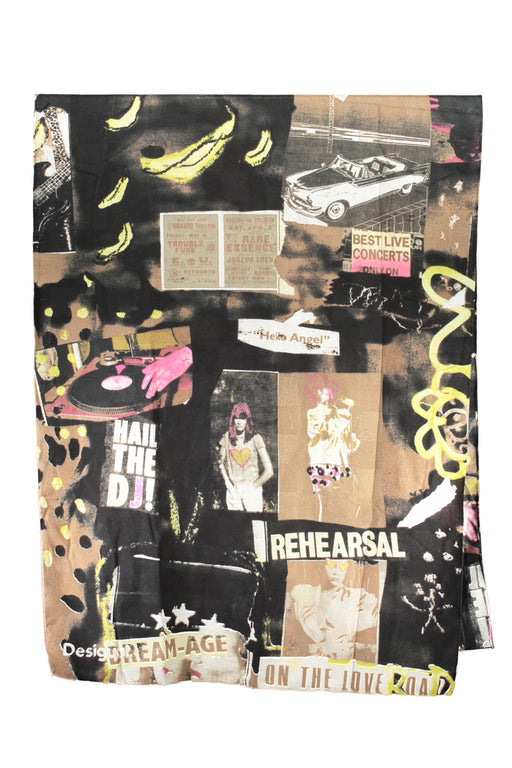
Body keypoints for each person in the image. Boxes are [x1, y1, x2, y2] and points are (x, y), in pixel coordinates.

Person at [288, 560, 379, 660]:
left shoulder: (357, 598)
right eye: (331, 565)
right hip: (308, 662)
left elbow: (376, 621)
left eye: (342, 566)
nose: (336, 572)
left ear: (347, 569)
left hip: (341, 662)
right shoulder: (303, 594)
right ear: (323, 565)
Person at [305, 375, 360, 494]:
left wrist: (351, 439)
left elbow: (347, 444)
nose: (321, 392)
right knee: (325, 496)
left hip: (339, 463)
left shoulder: (339, 414)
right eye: (318, 390)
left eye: (324, 389)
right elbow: (325, 430)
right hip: (323, 461)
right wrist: (342, 420)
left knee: (340, 498)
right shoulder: (314, 413)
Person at [217, 402, 273, 512]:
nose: (239, 422)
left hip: (252, 490)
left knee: (255, 522)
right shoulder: (227, 438)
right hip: (233, 491)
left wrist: (252, 488)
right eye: (236, 418)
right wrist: (228, 484)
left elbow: (269, 471)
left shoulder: (256, 438)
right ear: (232, 420)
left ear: (247, 420)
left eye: (243, 418)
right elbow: (220, 463)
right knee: (235, 523)